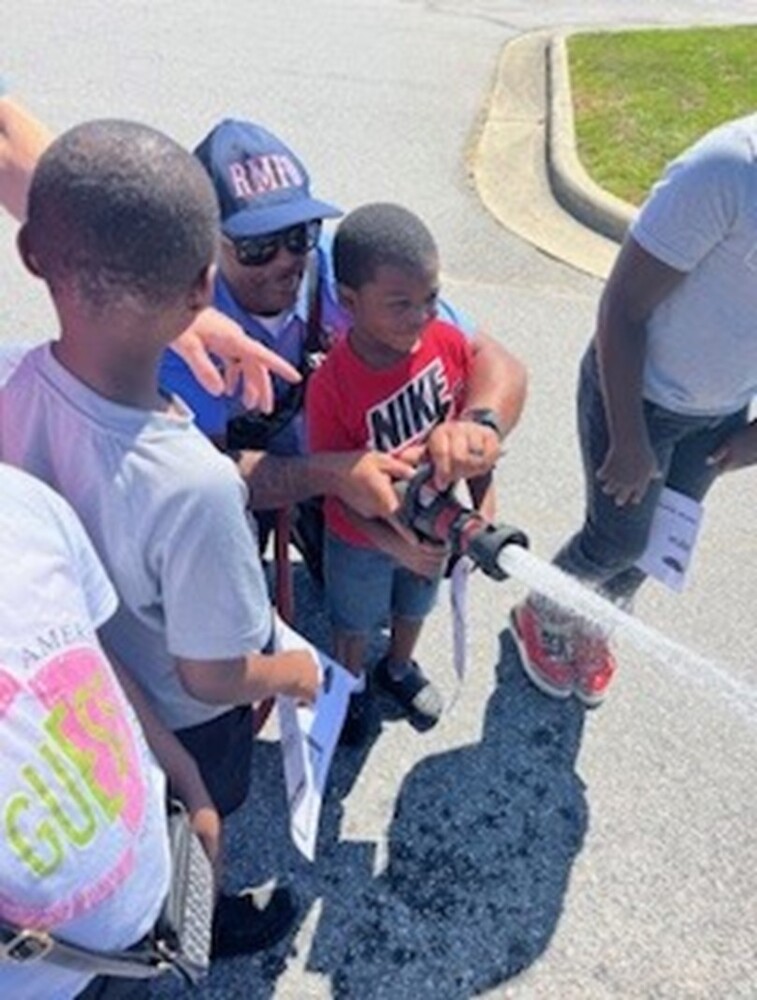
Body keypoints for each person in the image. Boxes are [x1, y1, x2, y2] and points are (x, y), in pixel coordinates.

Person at [0, 118, 323, 957]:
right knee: (195, 824)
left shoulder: (15, 382)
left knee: (132, 819)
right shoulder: (198, 484)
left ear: (32, 256)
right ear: (202, 292)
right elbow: (212, 671)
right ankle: (198, 930)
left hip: (89, 697)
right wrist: (299, 670)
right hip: (187, 716)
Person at [159, 118, 527, 572]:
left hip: (341, 458)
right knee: (214, 555)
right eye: (258, 247)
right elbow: (202, 472)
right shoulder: (183, 319)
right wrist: (328, 474)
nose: (286, 261)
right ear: (206, 241)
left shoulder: (343, 264)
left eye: (299, 235)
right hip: (259, 476)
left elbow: (493, 359)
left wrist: (479, 425)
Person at [510, 112, 757, 708]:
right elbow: (622, 307)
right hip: (637, 398)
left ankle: (595, 615)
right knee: (618, 536)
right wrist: (627, 437)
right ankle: (542, 610)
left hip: (722, 413)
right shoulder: (726, 170)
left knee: (661, 537)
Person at [306, 203, 502, 744]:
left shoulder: (446, 345)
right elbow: (335, 493)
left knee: (417, 603)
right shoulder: (332, 387)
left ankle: (397, 668)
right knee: (354, 621)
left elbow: (474, 440)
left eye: (431, 298)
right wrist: (391, 544)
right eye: (400, 304)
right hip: (360, 537)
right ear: (349, 302)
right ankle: (351, 685)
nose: (422, 317)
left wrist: (483, 505)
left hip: (430, 525)